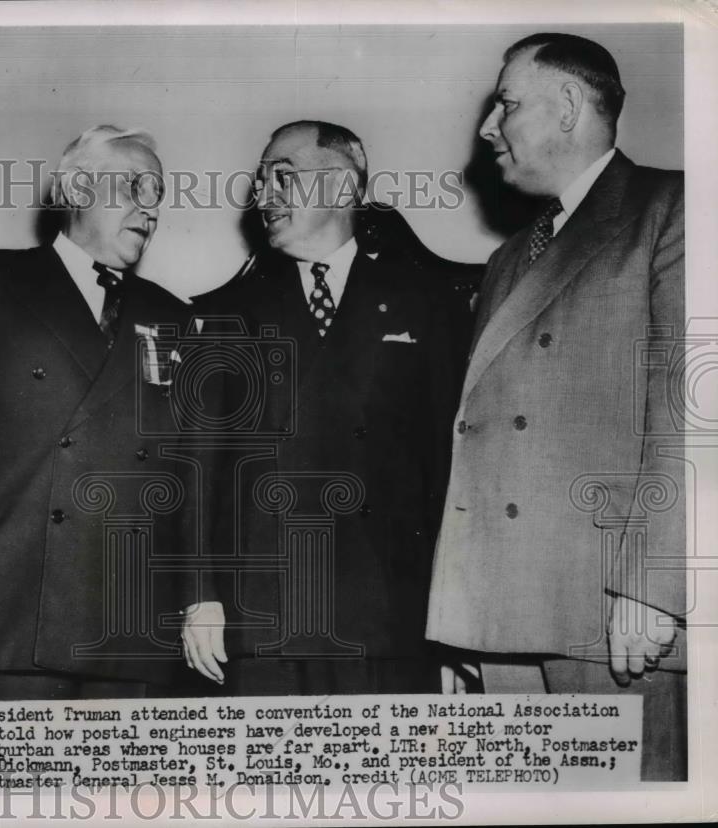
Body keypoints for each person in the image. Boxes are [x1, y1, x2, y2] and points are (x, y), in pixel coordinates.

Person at [426, 33, 686, 780]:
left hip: (611, 610)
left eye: (505, 103)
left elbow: (690, 413)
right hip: (506, 612)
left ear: (569, 105)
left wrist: (653, 582)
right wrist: (464, 627)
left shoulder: (670, 207)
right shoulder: (511, 256)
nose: (487, 128)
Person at [182, 120, 464, 695]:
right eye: (261, 182)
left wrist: (455, 631)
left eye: (282, 178)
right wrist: (199, 597)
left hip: (390, 619)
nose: (263, 198)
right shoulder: (222, 312)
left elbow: (453, 471)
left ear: (340, 187)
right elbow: (195, 467)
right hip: (259, 618)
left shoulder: (431, 304)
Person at [0, 126, 194, 700]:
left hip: (129, 622)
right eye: (136, 187)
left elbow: (186, 471)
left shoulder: (171, 314)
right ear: (79, 187)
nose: (150, 209)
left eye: (157, 195)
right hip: (7, 610)